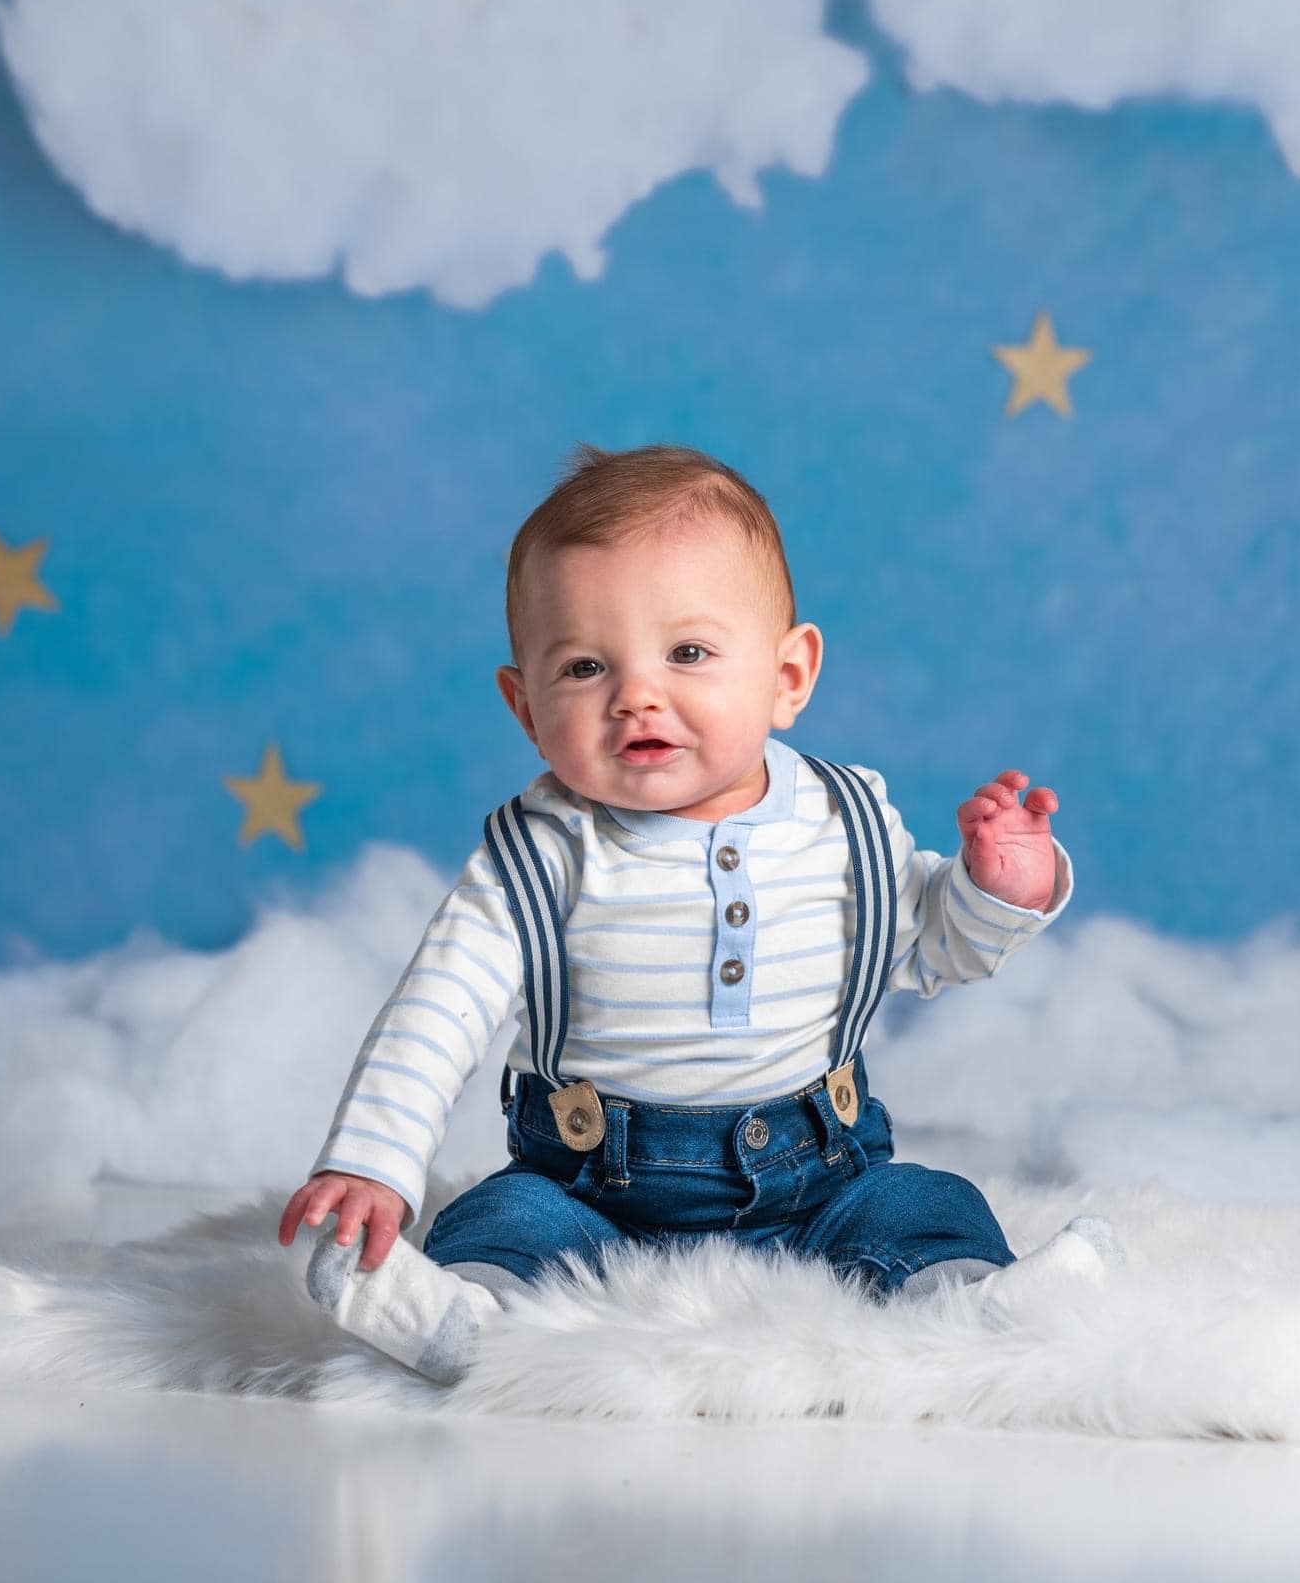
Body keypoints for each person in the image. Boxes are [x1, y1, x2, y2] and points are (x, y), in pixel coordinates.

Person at [276, 442, 1121, 1385]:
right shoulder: (539, 853)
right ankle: (469, 1320)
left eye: (688, 652)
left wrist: (998, 888)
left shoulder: (845, 822)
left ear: (787, 676)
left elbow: (931, 945)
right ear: (524, 705)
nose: (638, 692)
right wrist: (373, 1163)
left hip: (820, 1178)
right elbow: (436, 1012)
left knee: (923, 1204)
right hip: (590, 1185)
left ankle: (968, 1297)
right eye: (586, 665)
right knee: (503, 1220)